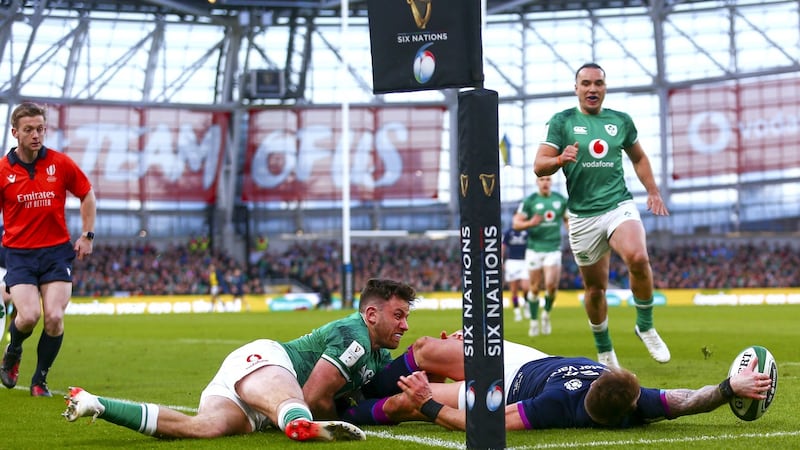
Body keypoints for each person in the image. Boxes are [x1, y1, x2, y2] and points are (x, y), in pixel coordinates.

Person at [63, 278, 417, 442]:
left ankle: (94, 402)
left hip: (254, 395)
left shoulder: (378, 353)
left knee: (202, 428)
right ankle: (298, 426)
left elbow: (369, 396)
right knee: (295, 404)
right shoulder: (353, 336)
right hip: (269, 363)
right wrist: (337, 418)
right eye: (398, 315)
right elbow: (312, 396)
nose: (405, 325)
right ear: (371, 314)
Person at [342, 333, 773, 431]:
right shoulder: (634, 398)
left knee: (407, 401)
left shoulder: (554, 407)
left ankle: (340, 408)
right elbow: (686, 401)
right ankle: (363, 381)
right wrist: (727, 389)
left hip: (508, 388)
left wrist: (428, 403)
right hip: (531, 360)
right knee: (427, 347)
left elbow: (484, 425)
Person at [533, 62, 670, 367]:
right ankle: (605, 348)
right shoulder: (562, 121)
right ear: (576, 88)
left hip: (618, 205)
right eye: (586, 84)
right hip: (583, 217)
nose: (592, 89)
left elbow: (639, 157)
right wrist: (559, 159)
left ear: (605, 88)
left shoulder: (620, 121)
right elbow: (539, 164)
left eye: (599, 83)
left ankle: (645, 324)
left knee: (637, 257)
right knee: (596, 290)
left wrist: (652, 190)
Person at [0, 102, 96, 397]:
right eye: (28, 129)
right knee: (28, 316)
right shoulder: (3, 171)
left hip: (55, 252)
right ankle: (13, 350)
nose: (36, 135)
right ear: (15, 132)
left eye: (40, 129)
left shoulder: (60, 163)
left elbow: (86, 194)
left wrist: (87, 235)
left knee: (54, 317)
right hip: (19, 254)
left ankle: (39, 380)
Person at [512, 175, 568, 336]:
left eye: (548, 179)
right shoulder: (530, 201)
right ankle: (534, 321)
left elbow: (567, 220)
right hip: (534, 249)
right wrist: (530, 223)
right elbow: (516, 224)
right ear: (537, 182)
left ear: (551, 182)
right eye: (542, 179)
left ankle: (546, 314)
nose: (545, 182)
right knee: (534, 288)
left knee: (551, 285)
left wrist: (572, 233)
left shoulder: (560, 200)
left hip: (553, 247)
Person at [502, 223, 529, 322]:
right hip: (512, 262)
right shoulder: (509, 232)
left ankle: (526, 304)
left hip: (525, 261)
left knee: (526, 287)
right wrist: (500, 260)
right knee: (514, 290)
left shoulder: (527, 232)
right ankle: (517, 311)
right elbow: (503, 246)